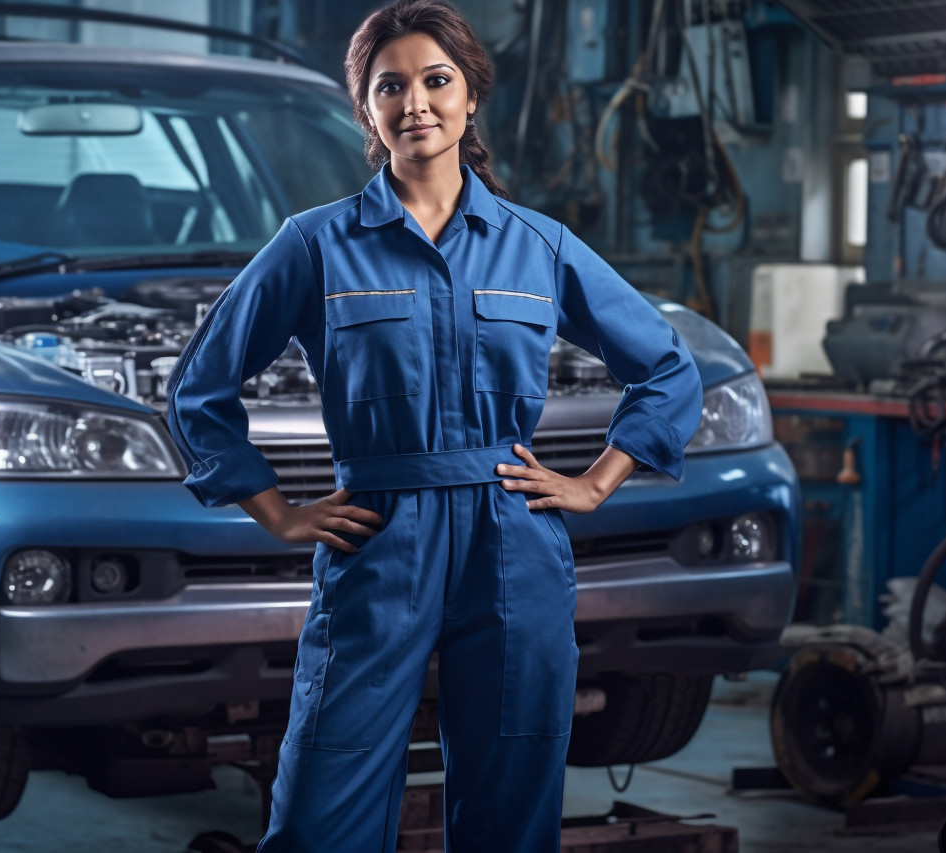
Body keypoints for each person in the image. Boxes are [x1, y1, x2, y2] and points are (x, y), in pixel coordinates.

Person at [166, 1, 704, 849]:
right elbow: (200, 385)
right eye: (391, 86)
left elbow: (667, 367)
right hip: (380, 533)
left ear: (470, 98)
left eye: (435, 80)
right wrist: (277, 509)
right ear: (368, 110)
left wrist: (596, 481)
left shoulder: (540, 246)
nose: (415, 102)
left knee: (513, 797)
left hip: (514, 537)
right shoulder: (316, 245)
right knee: (321, 803)